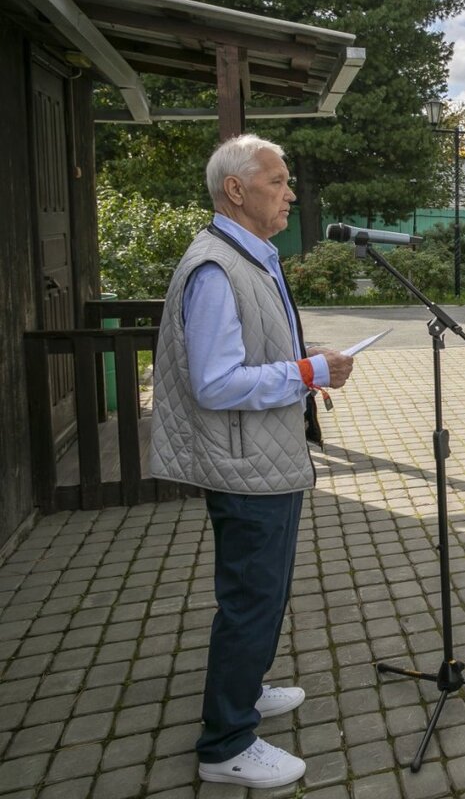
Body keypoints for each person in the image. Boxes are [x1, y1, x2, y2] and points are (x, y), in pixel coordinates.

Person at [149, 134, 355, 789]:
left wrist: (302, 365)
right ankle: (227, 742)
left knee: (263, 592)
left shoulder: (248, 257)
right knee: (251, 597)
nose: (289, 192)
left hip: (264, 456)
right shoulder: (216, 268)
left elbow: (255, 352)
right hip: (245, 464)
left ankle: (247, 689)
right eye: (277, 181)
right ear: (235, 190)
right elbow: (215, 382)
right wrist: (308, 370)